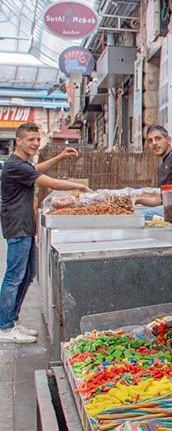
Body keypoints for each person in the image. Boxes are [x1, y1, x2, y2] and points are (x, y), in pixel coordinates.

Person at [0, 123, 88, 344]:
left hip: (25, 226)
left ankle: (12, 320)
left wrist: (60, 157)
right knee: (14, 277)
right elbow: (50, 182)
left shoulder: (23, 165)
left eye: (37, 139)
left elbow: (37, 170)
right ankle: (4, 326)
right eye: (30, 139)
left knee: (27, 275)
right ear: (18, 141)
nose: (35, 143)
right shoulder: (14, 165)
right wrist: (80, 187)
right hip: (17, 226)